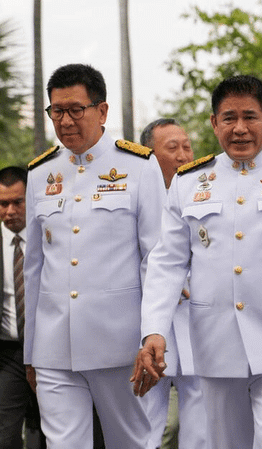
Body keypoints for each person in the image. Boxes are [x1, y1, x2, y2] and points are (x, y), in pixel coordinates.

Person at [134, 75, 262, 449]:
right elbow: (167, 263)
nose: (240, 129)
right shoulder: (189, 182)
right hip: (216, 346)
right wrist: (154, 330)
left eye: (250, 117)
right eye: (229, 118)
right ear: (214, 123)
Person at [24, 63, 165, 448]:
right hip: (54, 348)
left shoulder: (138, 166)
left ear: (102, 111)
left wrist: (153, 334)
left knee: (132, 443)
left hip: (120, 345)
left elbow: (156, 258)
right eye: (57, 111)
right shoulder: (40, 173)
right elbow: (35, 268)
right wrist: (30, 351)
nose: (65, 120)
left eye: (75, 109)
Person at [139, 118, 209, 449]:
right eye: (172, 148)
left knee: (202, 419)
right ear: (150, 156)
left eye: (187, 146)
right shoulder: (133, 193)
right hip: (151, 324)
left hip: (198, 319)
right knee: (147, 422)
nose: (183, 155)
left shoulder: (204, 190)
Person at [0, 166, 46, 449]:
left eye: (17, 202)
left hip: (49, 350)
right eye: (3, 204)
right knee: (5, 437)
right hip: (8, 354)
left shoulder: (50, 237)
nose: (9, 211)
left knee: (51, 430)